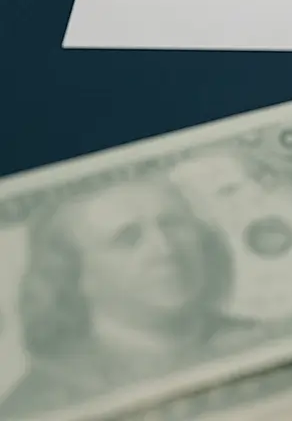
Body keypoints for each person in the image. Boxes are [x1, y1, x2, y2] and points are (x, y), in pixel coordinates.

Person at [0, 178, 252, 418]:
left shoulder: (260, 340)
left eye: (173, 225)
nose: (165, 249)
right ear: (73, 275)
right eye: (128, 239)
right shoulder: (38, 405)